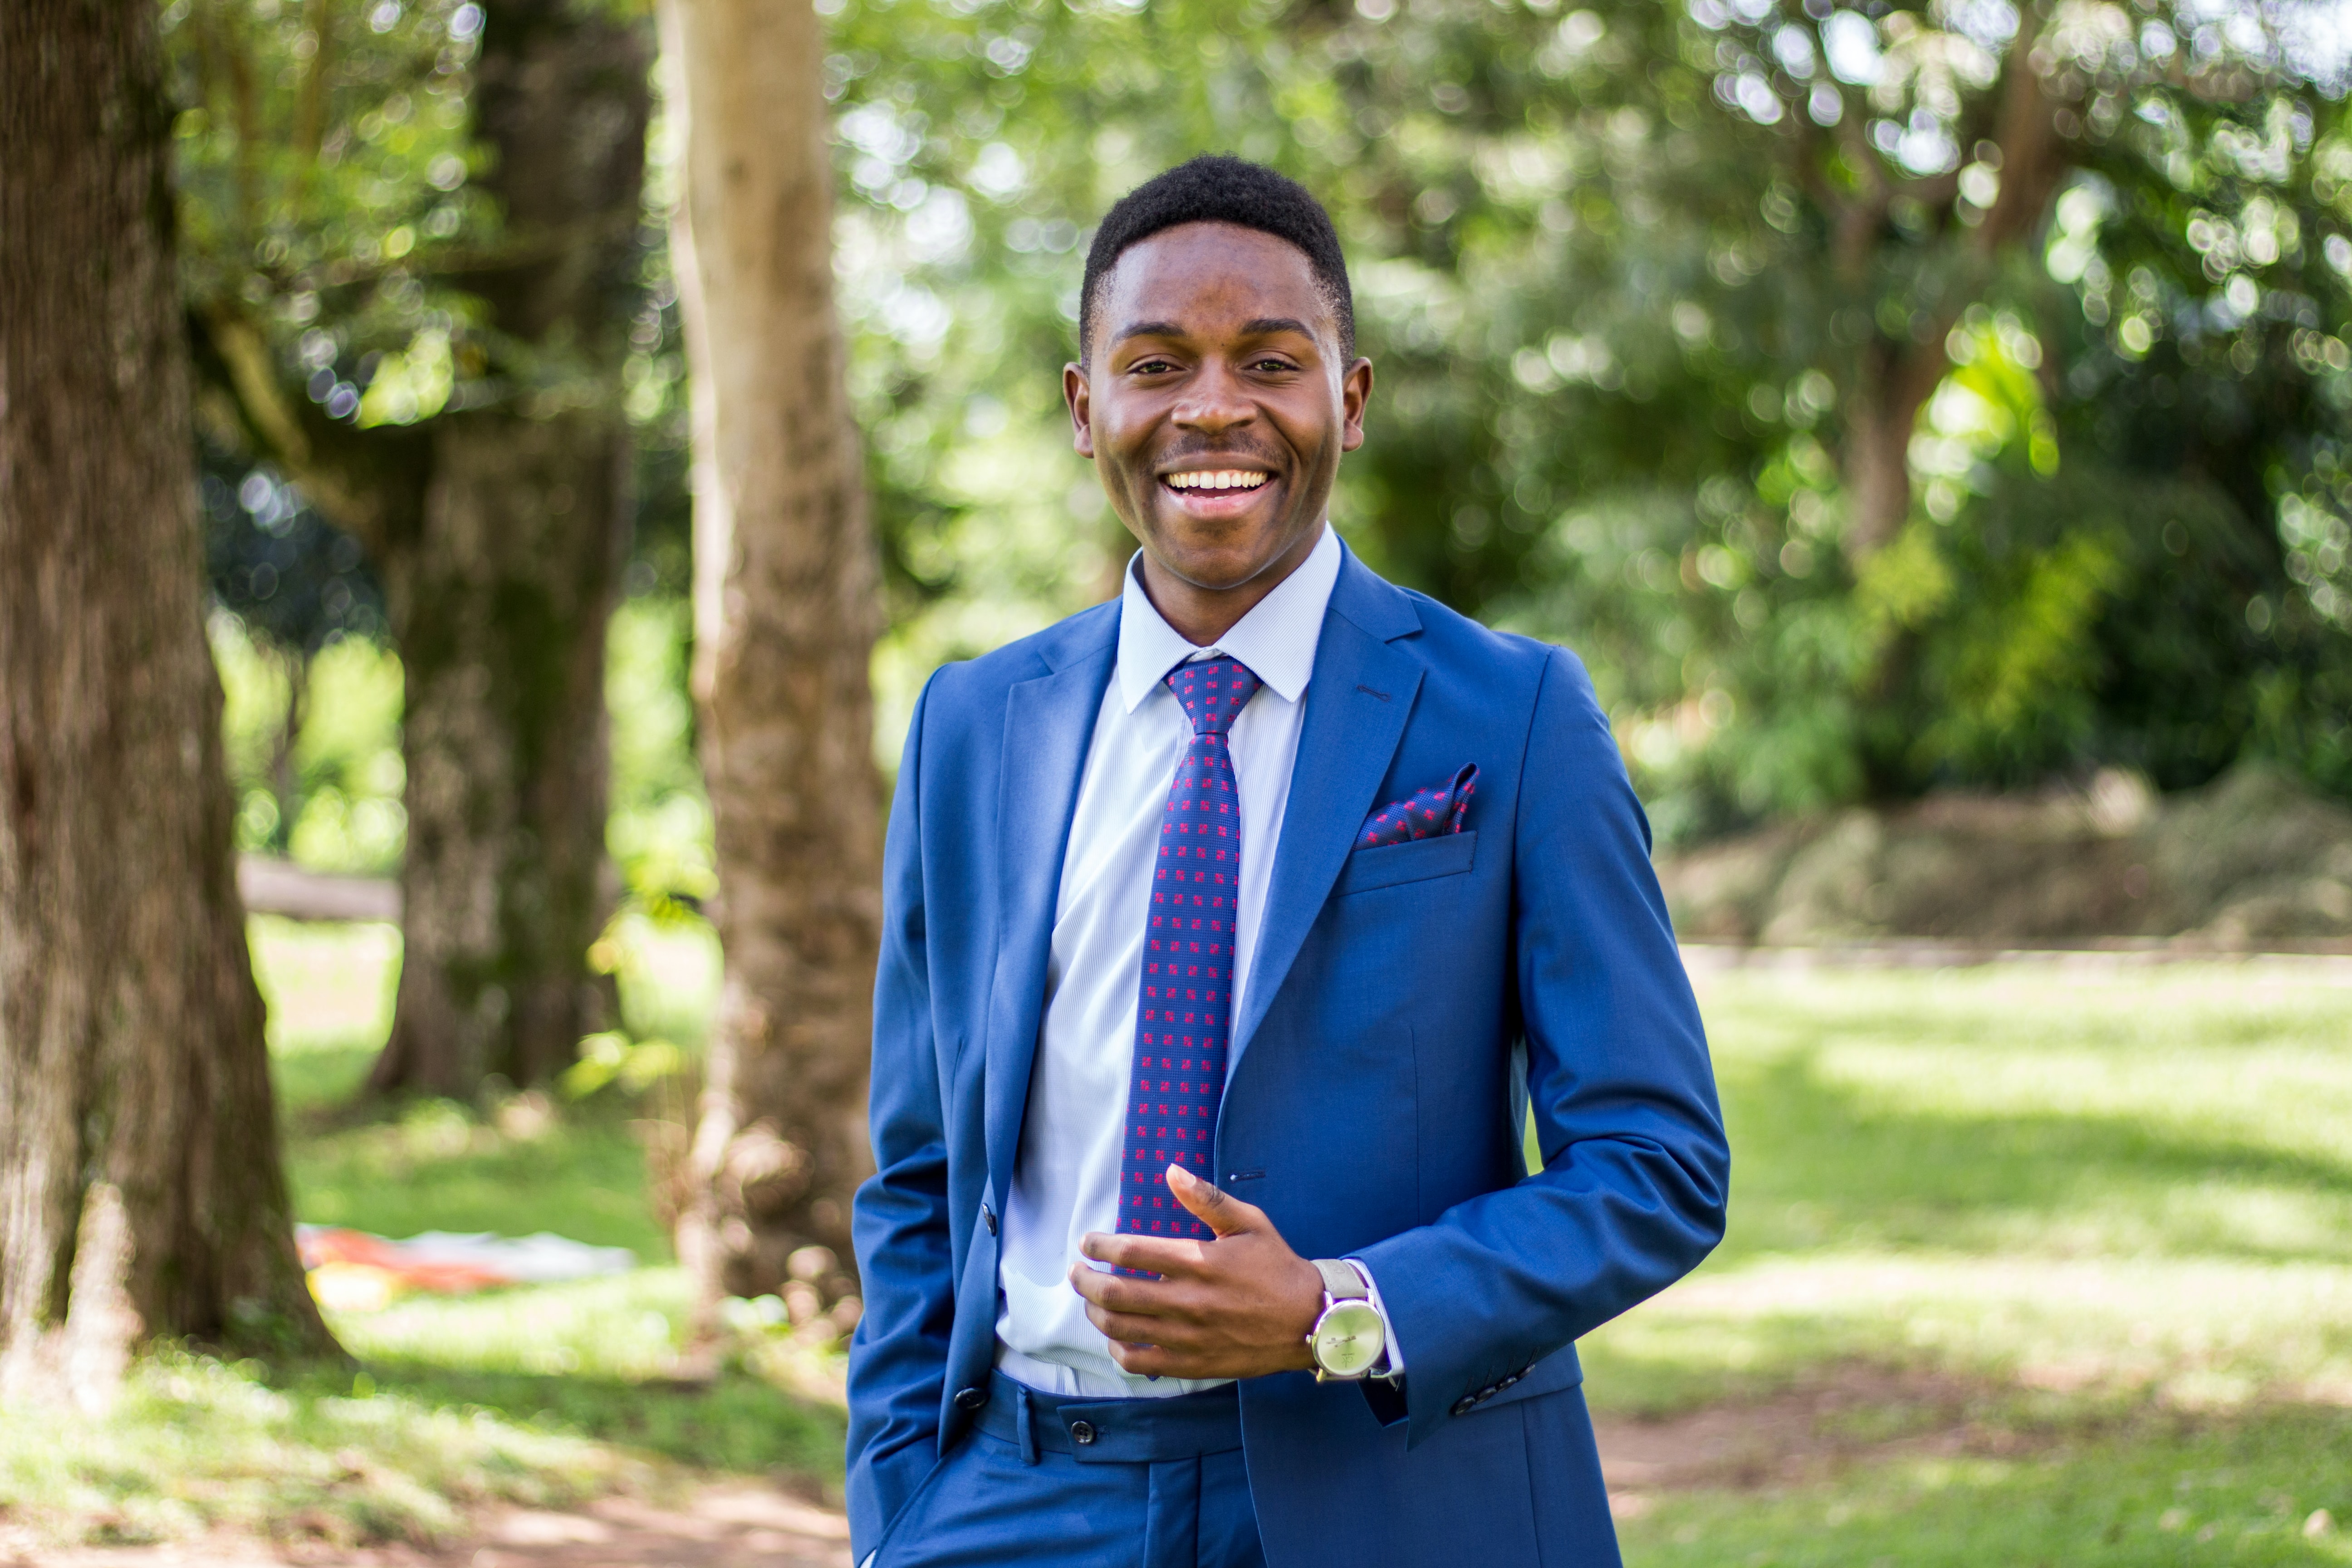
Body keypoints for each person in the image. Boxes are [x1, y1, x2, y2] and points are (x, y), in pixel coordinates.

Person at [846, 154, 1728, 1568]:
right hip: (1017, 1501)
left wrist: (1338, 1308)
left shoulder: (1512, 717)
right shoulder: (973, 727)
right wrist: (896, 1502)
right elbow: (920, 1168)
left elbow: (1657, 1165)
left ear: (1350, 401)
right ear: (1088, 411)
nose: (1213, 408)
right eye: (1156, 364)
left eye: (1270, 360)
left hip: (1397, 1497)